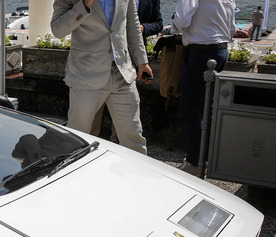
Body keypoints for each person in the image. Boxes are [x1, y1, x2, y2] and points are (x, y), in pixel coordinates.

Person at [51, 0, 153, 155]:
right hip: (86, 75)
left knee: (134, 140)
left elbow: (132, 25)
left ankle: (136, 178)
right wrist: (85, 4)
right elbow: (57, 30)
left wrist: (142, 61)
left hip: (122, 73)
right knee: (78, 140)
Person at [172, 0, 235, 175]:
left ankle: (195, 163)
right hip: (221, 51)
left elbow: (182, 21)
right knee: (210, 108)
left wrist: (174, 27)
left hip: (201, 52)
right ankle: (207, 158)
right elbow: (232, 29)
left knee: (192, 108)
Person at [91, 0, 162, 140]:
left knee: (126, 119)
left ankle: (117, 144)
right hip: (99, 58)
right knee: (93, 114)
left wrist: (140, 28)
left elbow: (158, 24)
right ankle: (90, 145)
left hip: (130, 57)